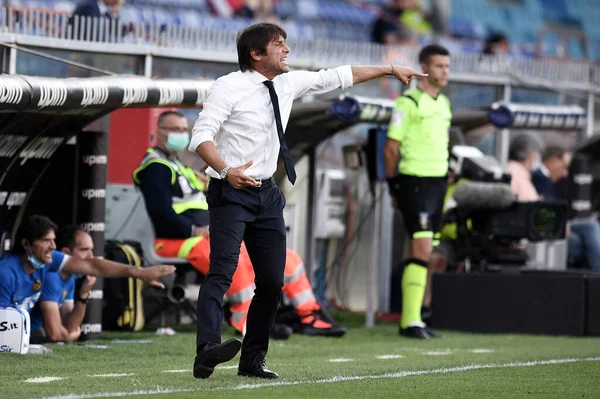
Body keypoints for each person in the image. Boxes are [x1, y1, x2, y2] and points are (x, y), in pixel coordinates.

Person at [188, 22, 426, 379]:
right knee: (221, 272)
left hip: (267, 193)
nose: (287, 50)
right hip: (230, 191)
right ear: (256, 54)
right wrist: (225, 169)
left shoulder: (287, 82)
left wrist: (390, 69)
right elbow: (200, 137)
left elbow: (338, 76)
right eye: (279, 44)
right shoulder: (228, 86)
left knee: (271, 282)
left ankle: (252, 360)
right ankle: (207, 348)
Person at [133, 111, 345, 340]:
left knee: (287, 259)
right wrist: (197, 230)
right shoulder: (156, 166)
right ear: (159, 131)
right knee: (234, 260)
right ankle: (245, 321)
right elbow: (161, 215)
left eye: (184, 130)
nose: (182, 135)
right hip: (177, 240)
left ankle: (309, 317)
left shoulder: (176, 164)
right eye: (174, 129)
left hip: (206, 235)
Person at [383, 44, 451, 340]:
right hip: (415, 181)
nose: (444, 72)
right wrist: (394, 185)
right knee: (422, 249)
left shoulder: (444, 103)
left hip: (438, 184)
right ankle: (409, 321)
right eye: (438, 66)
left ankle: (416, 318)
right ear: (424, 67)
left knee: (425, 250)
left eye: (447, 66)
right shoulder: (408, 103)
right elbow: (391, 149)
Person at [0, 215, 175, 313]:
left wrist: (138, 272)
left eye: (53, 241)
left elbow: (93, 266)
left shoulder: (50, 259)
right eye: (46, 241)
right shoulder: (6, 273)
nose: (53, 246)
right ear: (26, 244)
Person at [531, 146, 600, 270]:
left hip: (558, 224)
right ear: (553, 160)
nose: (565, 173)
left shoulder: (544, 179)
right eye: (564, 166)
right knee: (586, 236)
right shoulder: (539, 177)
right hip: (550, 228)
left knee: (591, 226)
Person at [29, 226, 97, 343]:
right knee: (42, 333)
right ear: (66, 252)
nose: (91, 257)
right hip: (21, 335)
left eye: (91, 250)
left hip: (34, 334)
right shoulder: (51, 276)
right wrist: (68, 337)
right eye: (84, 250)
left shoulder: (69, 277)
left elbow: (69, 326)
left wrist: (84, 295)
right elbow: (55, 334)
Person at [503, 132, 545, 201]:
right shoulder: (513, 172)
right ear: (528, 153)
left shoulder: (522, 173)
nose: (537, 157)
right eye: (536, 153)